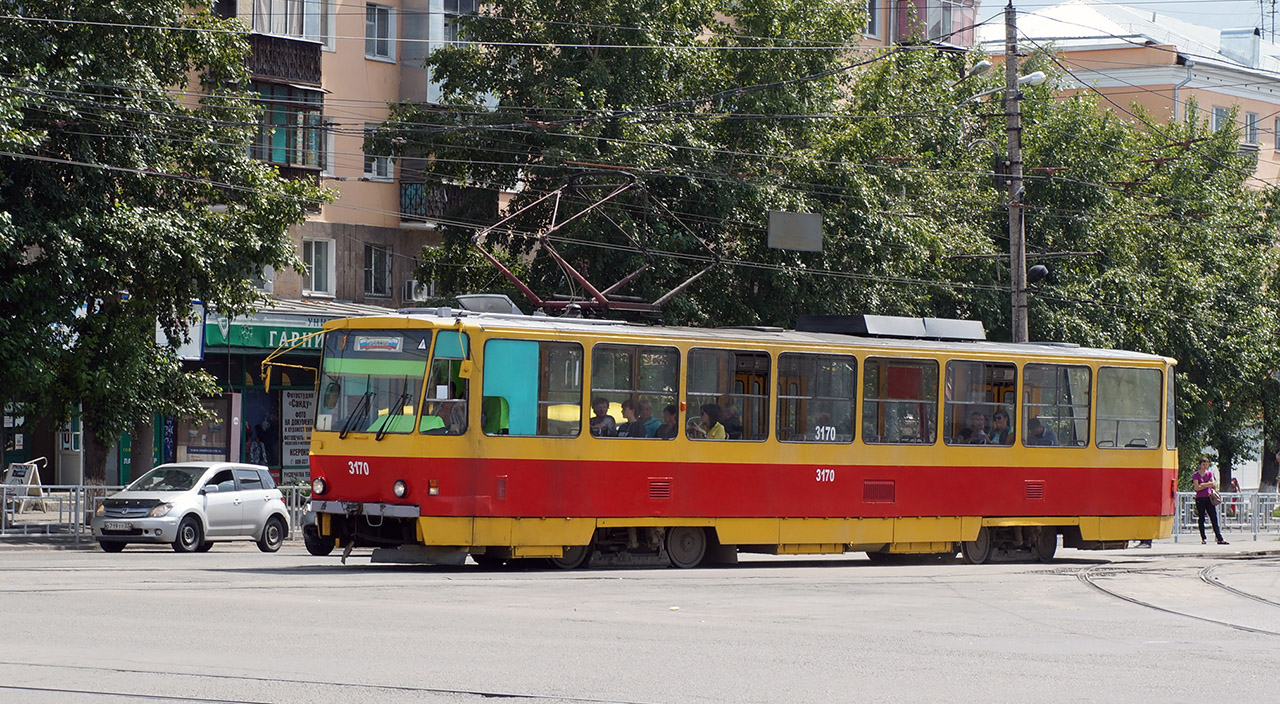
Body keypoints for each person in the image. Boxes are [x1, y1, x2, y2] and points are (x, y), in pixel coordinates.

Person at [1192, 456, 1228, 545]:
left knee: (1214, 517)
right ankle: (1203, 538)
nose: (1205, 466)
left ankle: (1219, 538)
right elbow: (1197, 487)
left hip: (1209, 498)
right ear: (1200, 465)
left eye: (1206, 464)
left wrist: (1203, 485)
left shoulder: (1210, 473)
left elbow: (1213, 484)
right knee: (1201, 518)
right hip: (1200, 498)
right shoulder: (1196, 475)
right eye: (1203, 464)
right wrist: (1207, 484)